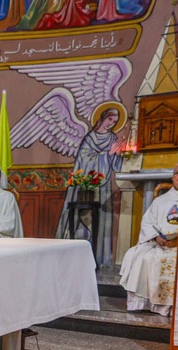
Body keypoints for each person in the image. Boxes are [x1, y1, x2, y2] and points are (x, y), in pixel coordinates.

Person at [119, 162, 178, 317]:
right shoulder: (160, 201)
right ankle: (149, 304)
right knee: (142, 258)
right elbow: (148, 222)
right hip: (162, 244)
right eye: (177, 173)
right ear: (173, 177)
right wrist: (156, 237)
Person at [55, 105, 125, 266]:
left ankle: (97, 259)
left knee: (101, 223)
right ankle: (75, 257)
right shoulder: (90, 138)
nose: (111, 124)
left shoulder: (112, 138)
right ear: (102, 117)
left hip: (103, 188)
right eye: (109, 120)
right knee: (81, 220)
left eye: (114, 122)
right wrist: (107, 154)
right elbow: (83, 160)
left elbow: (115, 166)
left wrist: (117, 154)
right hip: (84, 189)